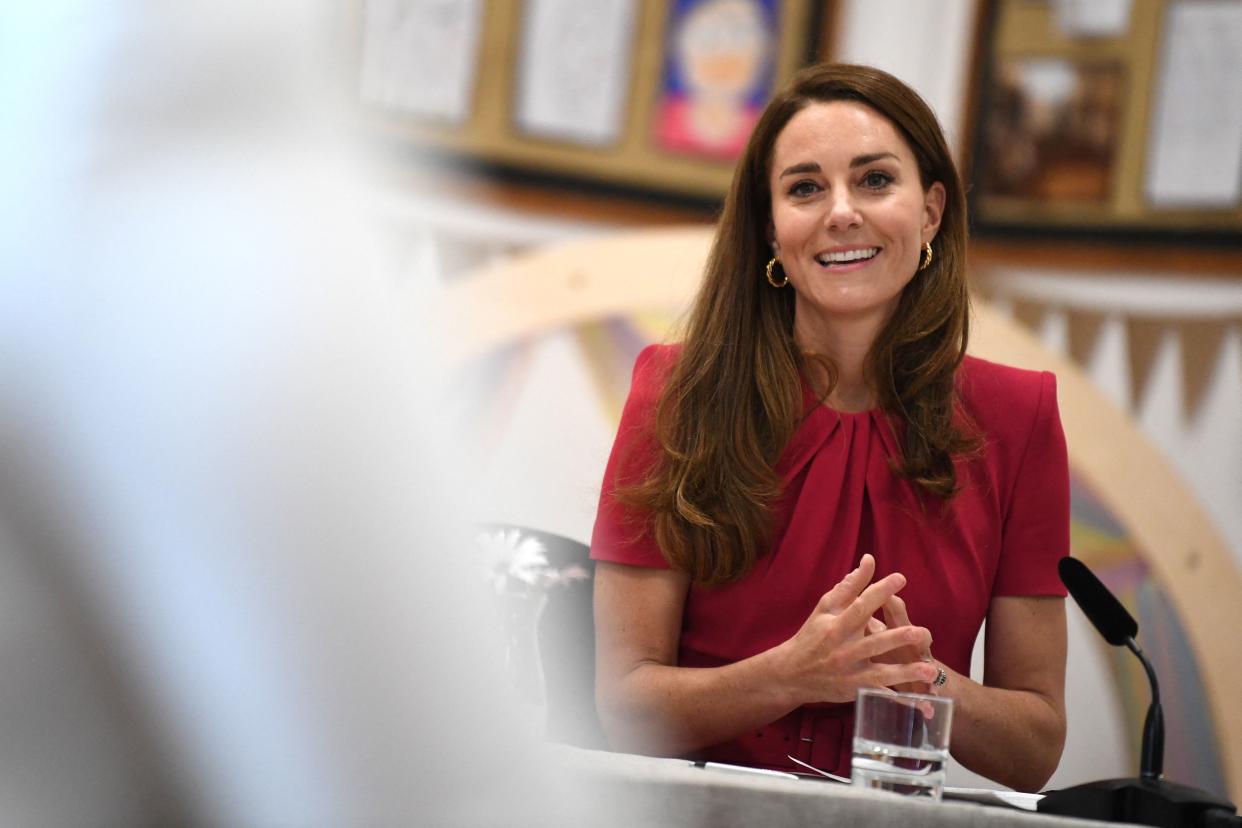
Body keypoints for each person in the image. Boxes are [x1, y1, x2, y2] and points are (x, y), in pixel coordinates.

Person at [590, 63, 1069, 793]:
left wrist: (923, 679)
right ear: (770, 228)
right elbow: (623, 705)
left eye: (875, 180)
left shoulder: (1020, 416)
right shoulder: (676, 393)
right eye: (805, 188)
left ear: (932, 212)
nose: (841, 212)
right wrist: (791, 676)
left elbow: (1034, 745)